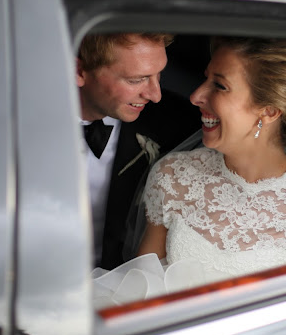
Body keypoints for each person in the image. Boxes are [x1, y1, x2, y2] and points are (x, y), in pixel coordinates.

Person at [136, 36, 286, 283]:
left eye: (219, 86)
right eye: (205, 78)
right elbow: (140, 288)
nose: (196, 96)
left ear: (270, 110)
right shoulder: (174, 176)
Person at [77, 32, 199, 269]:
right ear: (79, 71)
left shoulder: (179, 125)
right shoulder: (5, 124)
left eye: (159, 74)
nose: (155, 95)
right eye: (136, 80)